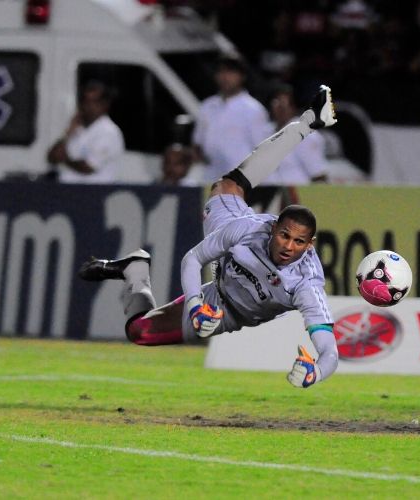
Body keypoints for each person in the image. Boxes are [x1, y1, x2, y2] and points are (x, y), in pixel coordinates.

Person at [79, 85, 338, 389]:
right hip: (215, 289)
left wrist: (314, 373)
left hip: (229, 311)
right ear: (272, 229)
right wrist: (195, 306)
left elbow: (329, 350)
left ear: (310, 245)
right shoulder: (247, 230)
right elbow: (194, 258)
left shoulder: (306, 283)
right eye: (284, 236)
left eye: (299, 242)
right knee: (228, 185)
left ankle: (135, 271)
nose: (288, 246)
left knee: (139, 333)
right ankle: (308, 120)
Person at [192, 53, 271, 183]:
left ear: (242, 76)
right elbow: (198, 144)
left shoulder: (253, 109)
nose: (225, 77)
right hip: (211, 179)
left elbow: (263, 151)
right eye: (221, 72)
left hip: (241, 182)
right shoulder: (207, 106)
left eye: (231, 72)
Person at [46, 80, 125, 183]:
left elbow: (88, 167)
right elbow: (52, 157)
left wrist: (64, 159)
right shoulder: (77, 129)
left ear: (104, 105)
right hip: (68, 190)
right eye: (85, 101)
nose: (87, 106)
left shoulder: (108, 132)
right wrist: (68, 133)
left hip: (92, 192)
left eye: (93, 102)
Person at [262, 85, 329, 185]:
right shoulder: (265, 132)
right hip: (270, 193)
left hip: (298, 194)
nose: (280, 109)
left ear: (293, 107)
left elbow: (318, 175)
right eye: (276, 104)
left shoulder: (306, 134)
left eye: (284, 105)